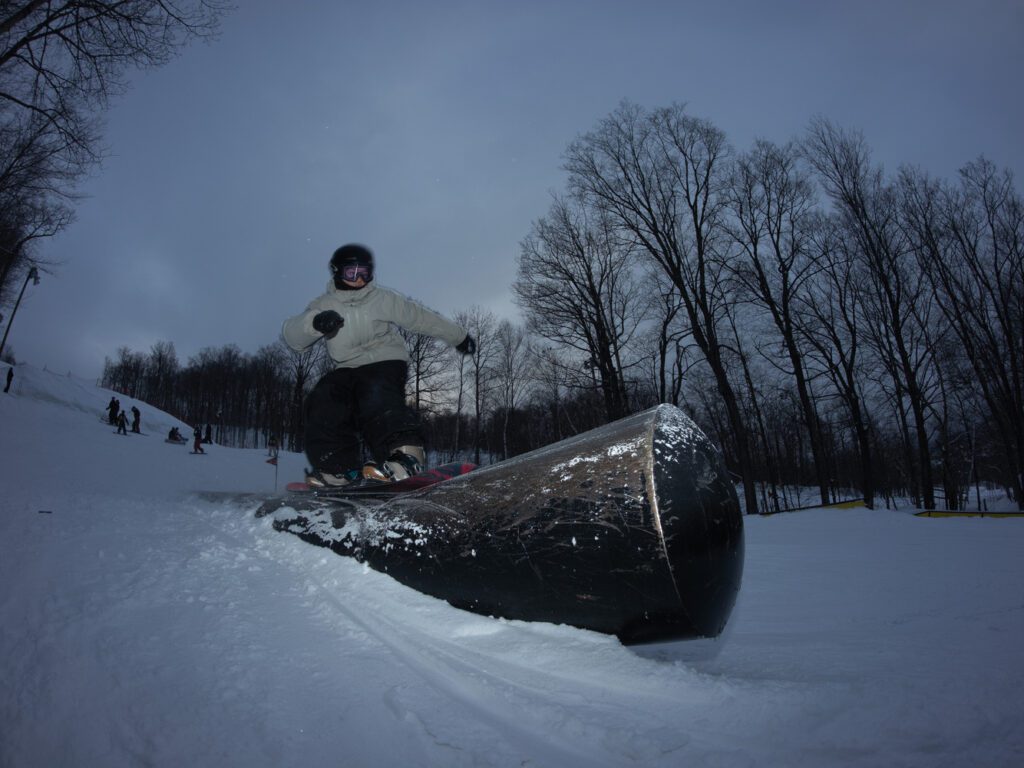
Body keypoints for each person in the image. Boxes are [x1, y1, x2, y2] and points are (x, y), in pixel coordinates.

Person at [282, 243, 475, 487]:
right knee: (323, 398)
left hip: (384, 360)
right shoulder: (323, 304)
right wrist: (315, 323)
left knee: (375, 394)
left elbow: (419, 317)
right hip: (345, 368)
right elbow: (293, 337)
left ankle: (406, 456)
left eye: (365, 273)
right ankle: (337, 468)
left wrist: (458, 336)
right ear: (337, 272)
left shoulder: (382, 298)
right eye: (352, 273)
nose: (360, 280)